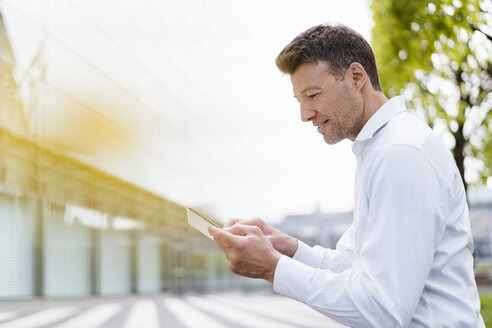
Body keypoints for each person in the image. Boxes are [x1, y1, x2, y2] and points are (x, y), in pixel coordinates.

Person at [208, 23, 485, 327]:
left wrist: (273, 268)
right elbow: (353, 266)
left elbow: (381, 309)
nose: (305, 115)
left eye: (313, 95)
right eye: (300, 101)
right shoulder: (382, 150)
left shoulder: (400, 154)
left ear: (356, 77)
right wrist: (287, 248)